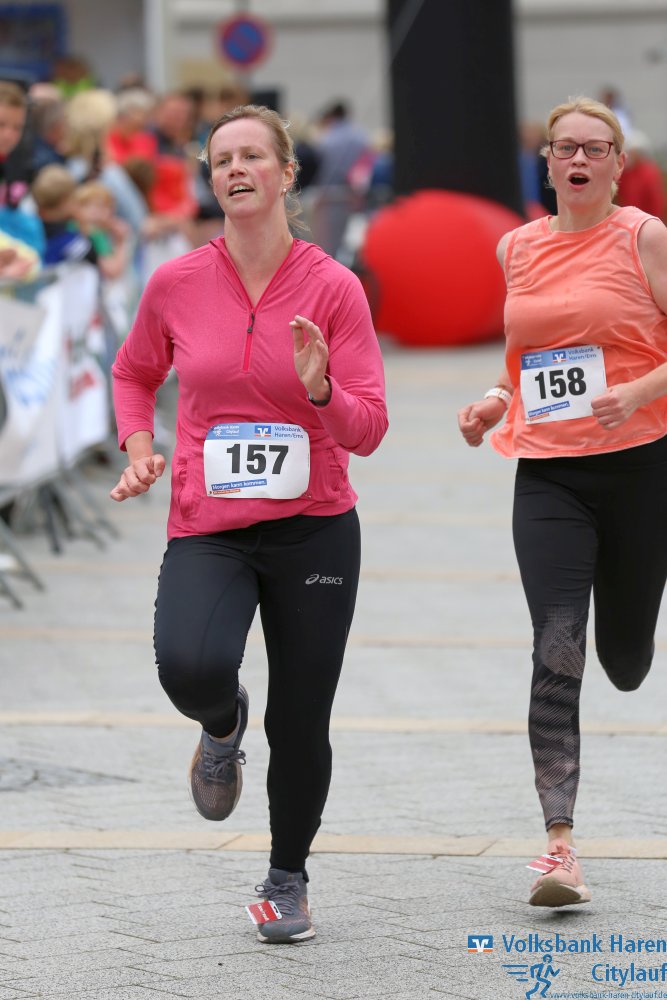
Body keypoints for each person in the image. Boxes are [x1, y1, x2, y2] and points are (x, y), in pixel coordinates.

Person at [110, 104, 388, 942]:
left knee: (300, 718)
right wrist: (139, 447)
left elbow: (369, 428)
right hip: (210, 522)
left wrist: (320, 390)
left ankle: (286, 878)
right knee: (188, 666)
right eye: (221, 159)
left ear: (286, 173)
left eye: (252, 156)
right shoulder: (176, 282)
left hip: (314, 527)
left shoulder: (333, 287)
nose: (235, 169)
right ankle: (219, 723)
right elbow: (132, 373)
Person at [458, 96, 667, 909]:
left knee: (625, 660)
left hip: (641, 469)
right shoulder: (515, 247)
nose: (578, 159)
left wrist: (639, 391)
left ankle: (631, 640)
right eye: (564, 147)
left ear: (617, 163)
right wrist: (492, 402)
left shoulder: (643, 237)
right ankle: (558, 847)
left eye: (594, 147)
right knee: (556, 647)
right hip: (547, 474)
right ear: (545, 162)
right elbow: (526, 362)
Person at [617, 129, 666, 220]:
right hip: (629, 217)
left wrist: (654, 220)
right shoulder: (626, 172)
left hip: (647, 218)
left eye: (632, 152)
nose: (629, 155)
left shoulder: (650, 172)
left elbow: (656, 199)